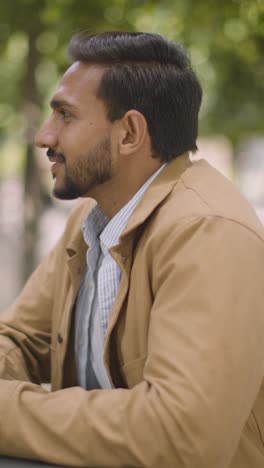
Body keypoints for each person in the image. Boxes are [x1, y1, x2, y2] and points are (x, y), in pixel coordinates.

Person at [0, 31, 263, 468]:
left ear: (130, 133)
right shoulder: (91, 219)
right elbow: (22, 339)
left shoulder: (208, 233)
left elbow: (182, 436)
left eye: (65, 116)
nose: (44, 136)